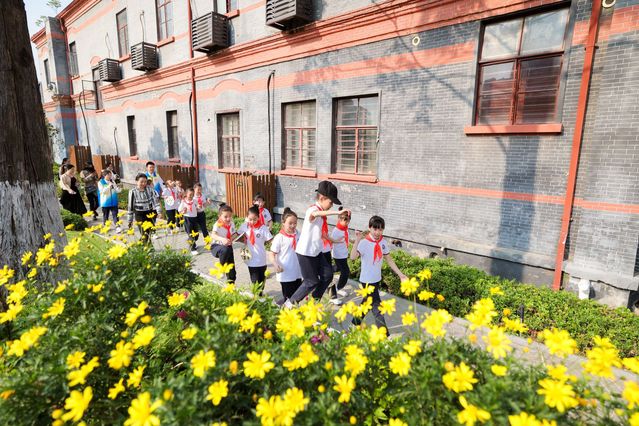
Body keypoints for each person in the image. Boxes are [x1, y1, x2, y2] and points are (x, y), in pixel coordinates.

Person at [284, 181, 348, 307]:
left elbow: (321, 232)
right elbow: (316, 214)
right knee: (311, 281)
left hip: (316, 252)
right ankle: (289, 304)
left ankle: (314, 300)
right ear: (322, 198)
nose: (331, 206)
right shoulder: (312, 209)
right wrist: (337, 213)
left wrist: (333, 240)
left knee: (328, 275)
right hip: (305, 252)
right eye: (331, 202)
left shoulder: (321, 214)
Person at [350, 215, 408, 331]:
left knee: (367, 304)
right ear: (370, 228)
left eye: (380, 229)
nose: (377, 232)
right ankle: (384, 334)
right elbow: (353, 257)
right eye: (375, 229)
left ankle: (354, 323)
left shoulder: (383, 243)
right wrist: (357, 240)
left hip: (376, 279)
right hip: (367, 280)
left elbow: (389, 260)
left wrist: (400, 275)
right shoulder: (364, 243)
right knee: (377, 307)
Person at [237, 205, 273, 294]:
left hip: (261, 258)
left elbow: (270, 240)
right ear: (247, 217)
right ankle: (257, 296)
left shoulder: (263, 228)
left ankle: (259, 294)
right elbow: (237, 236)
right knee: (254, 280)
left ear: (258, 217)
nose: (252, 221)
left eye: (255, 219)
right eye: (250, 219)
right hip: (250, 258)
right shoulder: (244, 226)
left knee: (261, 280)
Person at [269, 207, 302, 302]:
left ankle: (284, 306)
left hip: (297, 272)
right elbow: (271, 254)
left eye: (295, 223)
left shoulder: (298, 234)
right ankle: (283, 308)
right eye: (290, 223)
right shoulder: (279, 237)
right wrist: (275, 264)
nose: (293, 225)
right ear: (283, 223)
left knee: (297, 297)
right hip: (285, 273)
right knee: (289, 298)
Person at [127, 173, 162, 243]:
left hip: (150, 214)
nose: (143, 183)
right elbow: (130, 206)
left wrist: (159, 212)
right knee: (144, 233)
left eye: (145, 182)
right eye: (141, 182)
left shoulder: (150, 190)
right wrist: (130, 220)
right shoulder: (132, 192)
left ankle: (141, 245)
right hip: (140, 215)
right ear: (136, 181)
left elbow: (156, 202)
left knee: (149, 232)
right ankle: (147, 247)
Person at [329, 208, 352, 304]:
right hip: (338, 255)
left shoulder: (345, 229)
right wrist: (337, 241)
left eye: (348, 220)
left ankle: (326, 271)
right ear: (339, 219)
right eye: (344, 220)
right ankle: (337, 289)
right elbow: (331, 240)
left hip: (343, 254)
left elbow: (346, 238)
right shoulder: (337, 230)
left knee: (338, 268)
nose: (346, 222)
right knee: (345, 272)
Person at [211, 203, 238, 283]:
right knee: (224, 250)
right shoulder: (217, 224)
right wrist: (222, 239)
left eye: (230, 216)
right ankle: (221, 268)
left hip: (228, 246)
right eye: (225, 217)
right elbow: (213, 235)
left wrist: (235, 237)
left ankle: (231, 285)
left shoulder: (232, 223)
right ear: (219, 216)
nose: (228, 218)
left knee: (231, 270)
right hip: (217, 246)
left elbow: (233, 234)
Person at [178, 188, 200, 255]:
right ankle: (193, 249)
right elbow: (179, 210)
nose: (191, 196)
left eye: (192, 194)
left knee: (196, 234)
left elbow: (197, 206)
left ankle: (192, 242)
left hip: (194, 218)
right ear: (186, 194)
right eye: (190, 194)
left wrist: (198, 206)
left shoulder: (194, 200)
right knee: (190, 234)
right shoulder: (183, 202)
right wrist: (183, 211)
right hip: (187, 219)